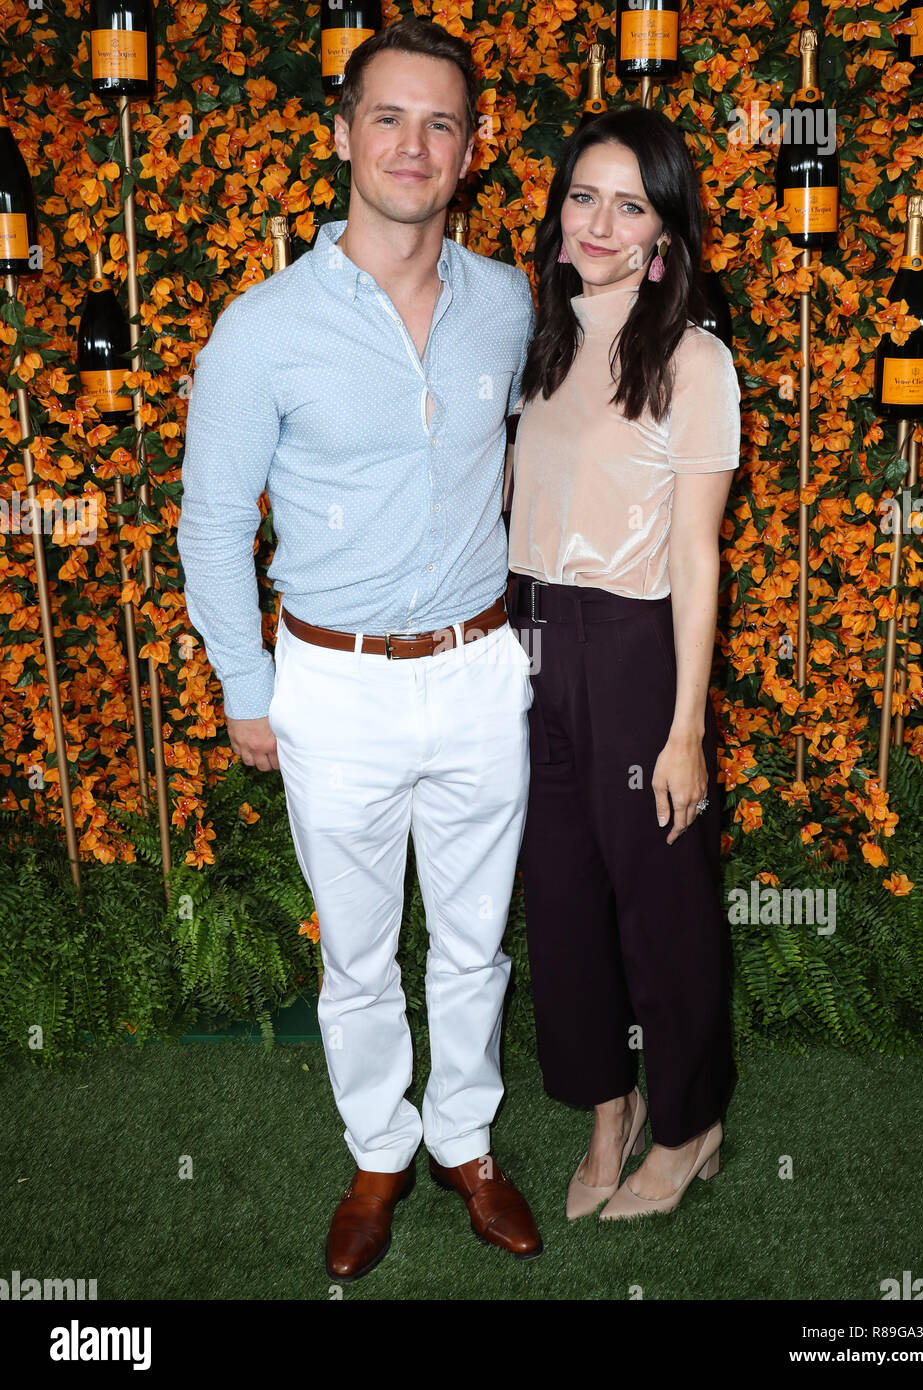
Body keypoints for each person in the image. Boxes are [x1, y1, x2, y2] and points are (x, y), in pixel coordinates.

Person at [177, 18, 543, 1280]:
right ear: (341, 134)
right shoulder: (261, 327)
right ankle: (380, 1149)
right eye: (387, 116)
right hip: (328, 679)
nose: (412, 143)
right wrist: (247, 687)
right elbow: (213, 523)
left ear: (470, 150)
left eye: (439, 122)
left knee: (475, 939)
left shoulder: (508, 301)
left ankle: (466, 1139)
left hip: (482, 668)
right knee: (354, 950)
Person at [505, 107, 740, 1222]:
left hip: (633, 646)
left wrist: (684, 728)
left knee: (660, 902)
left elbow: (696, 554)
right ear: (559, 215)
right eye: (582, 196)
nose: (599, 222)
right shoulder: (541, 341)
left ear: (662, 234)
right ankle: (609, 1106)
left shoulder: (691, 358)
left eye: (629, 203)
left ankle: (689, 1125)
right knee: (557, 898)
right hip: (528, 640)